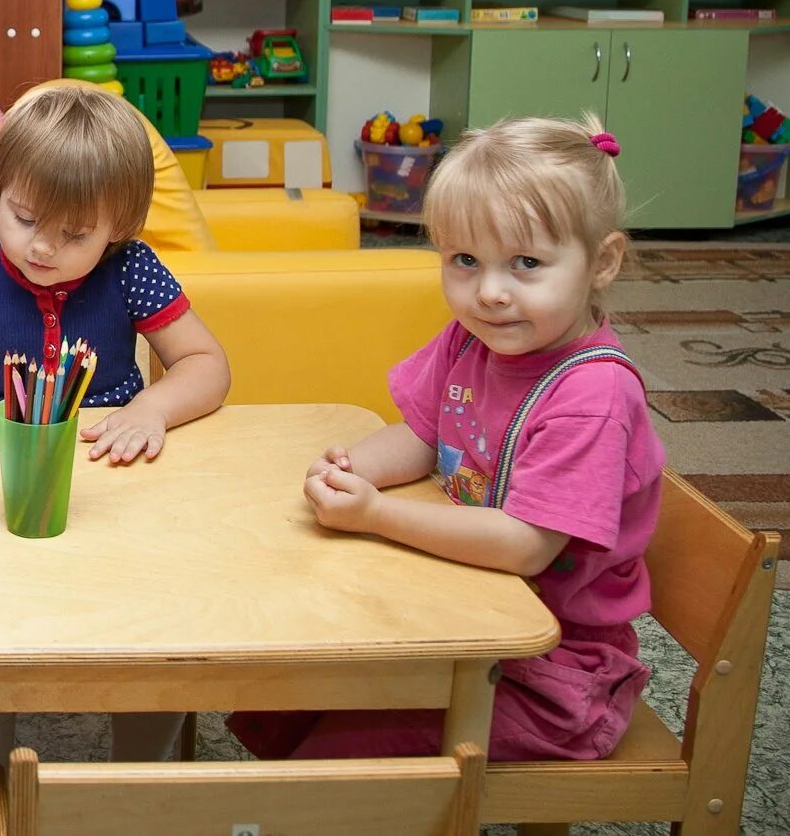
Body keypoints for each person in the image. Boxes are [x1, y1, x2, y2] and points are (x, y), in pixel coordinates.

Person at [0, 83, 230, 831]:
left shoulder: (133, 269)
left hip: (108, 490)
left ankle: (131, 782)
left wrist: (152, 406)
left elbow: (206, 364)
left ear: (119, 226)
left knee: (161, 628)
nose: (43, 247)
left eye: (75, 232)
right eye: (24, 219)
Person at [232, 115, 663, 762]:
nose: (490, 291)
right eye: (465, 260)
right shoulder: (473, 336)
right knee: (286, 685)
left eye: (526, 263)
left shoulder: (592, 396)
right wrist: (354, 468)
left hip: (549, 665)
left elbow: (525, 545)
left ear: (603, 262)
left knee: (345, 753)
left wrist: (376, 513)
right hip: (467, 612)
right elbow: (424, 433)